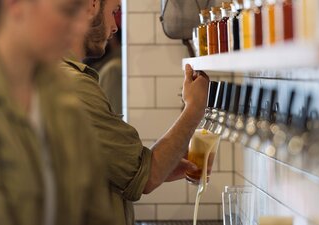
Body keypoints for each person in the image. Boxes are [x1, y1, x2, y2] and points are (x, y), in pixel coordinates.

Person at [60, 0, 209, 224]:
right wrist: (195, 108)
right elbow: (147, 178)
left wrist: (162, 166)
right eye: (114, 12)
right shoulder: (74, 86)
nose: (115, 26)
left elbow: (110, 168)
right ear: (92, 5)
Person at [0, 0, 115, 225]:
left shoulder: (65, 98)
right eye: (66, 11)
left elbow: (95, 210)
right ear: (15, 4)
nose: (80, 27)